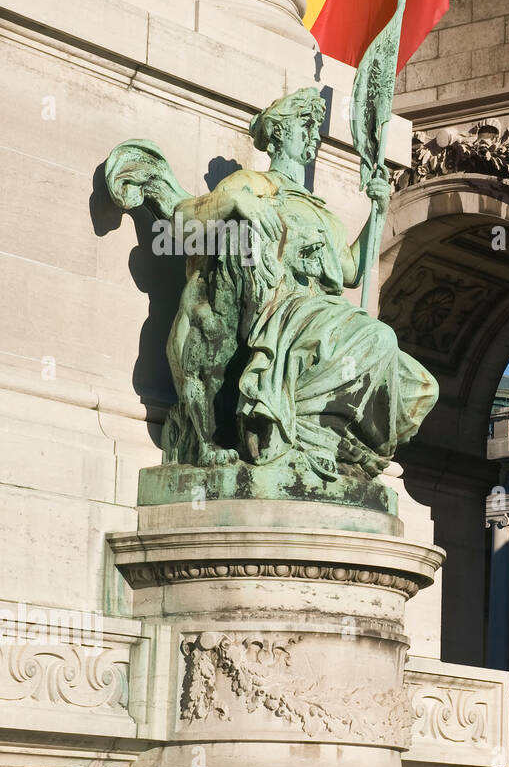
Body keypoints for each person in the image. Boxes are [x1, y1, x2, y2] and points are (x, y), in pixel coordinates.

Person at [108, 87, 437, 480]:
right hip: (278, 314)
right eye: (306, 127)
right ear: (280, 134)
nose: (314, 137)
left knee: (419, 386)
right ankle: (302, 432)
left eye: (315, 129)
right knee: (379, 338)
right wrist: (232, 203)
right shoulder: (250, 183)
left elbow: (349, 271)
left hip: (319, 312)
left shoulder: (322, 211)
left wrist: (376, 214)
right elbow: (183, 222)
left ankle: (319, 432)